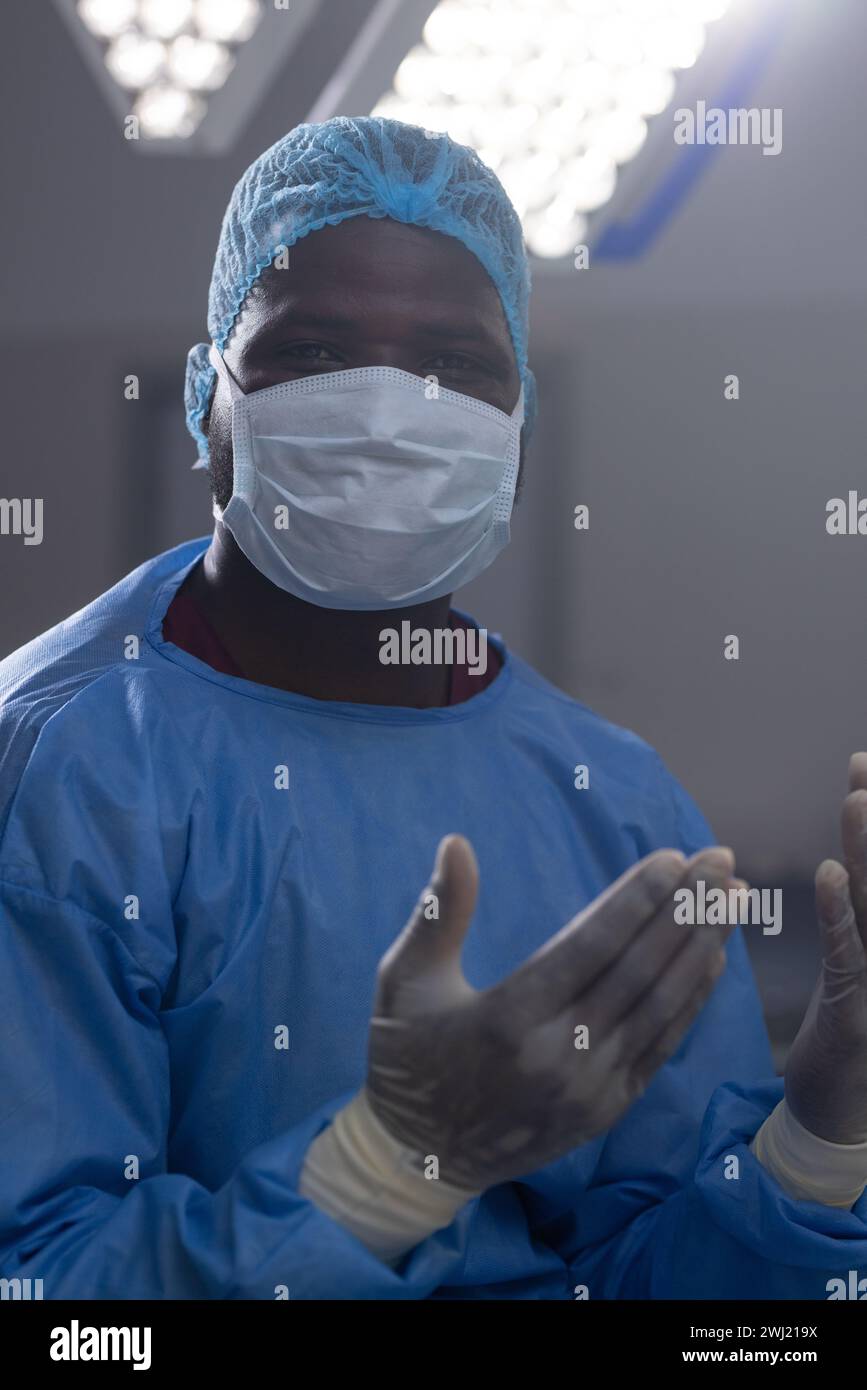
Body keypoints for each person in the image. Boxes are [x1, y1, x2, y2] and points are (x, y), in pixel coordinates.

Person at [0, 117, 865, 1300]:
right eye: (313, 354)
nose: (390, 412)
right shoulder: (64, 762)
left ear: (515, 427)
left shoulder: (608, 798)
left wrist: (824, 1121)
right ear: (210, 399)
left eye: (455, 365)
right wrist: (383, 1172)